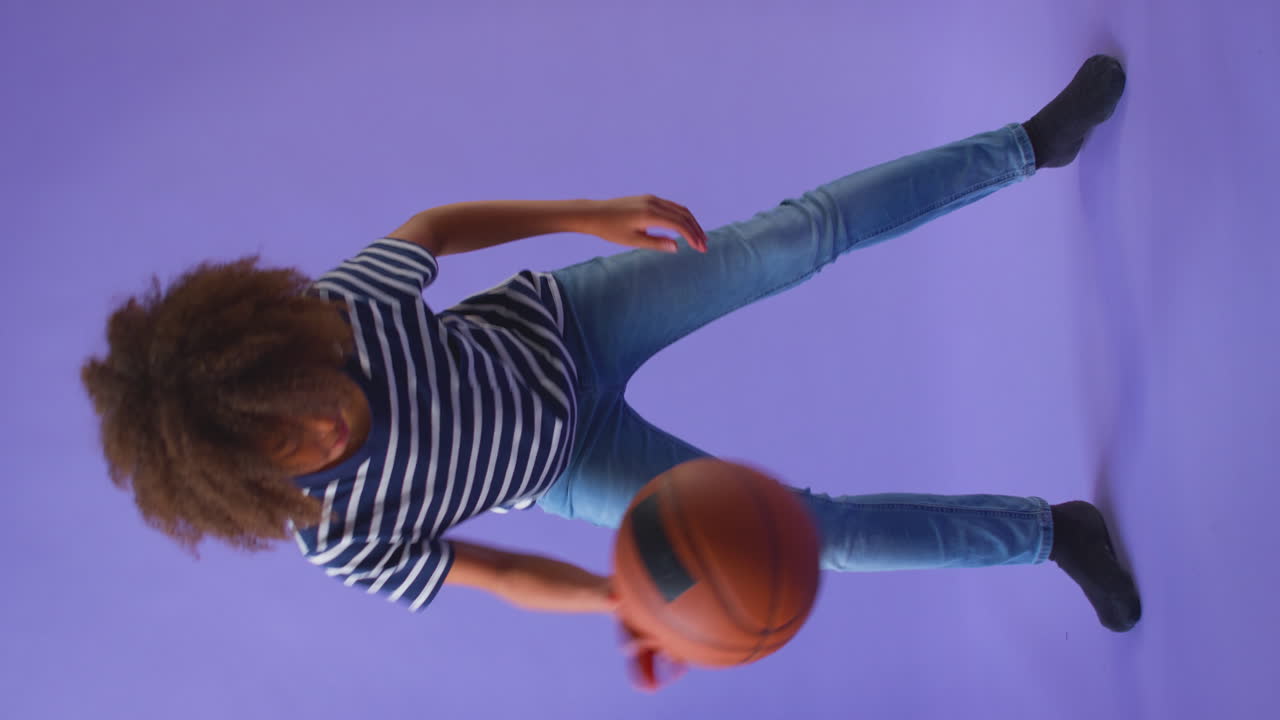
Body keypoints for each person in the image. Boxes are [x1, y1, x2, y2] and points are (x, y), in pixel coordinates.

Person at [82, 55, 1140, 692]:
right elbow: (491, 573)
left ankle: (1026, 147)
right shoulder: (339, 537)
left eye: (313, 393)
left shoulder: (332, 316)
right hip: (570, 463)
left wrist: (585, 212)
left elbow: (430, 231)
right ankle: (1052, 533)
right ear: (259, 476)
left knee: (793, 239)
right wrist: (618, 598)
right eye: (296, 443)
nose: (327, 420)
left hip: (566, 324)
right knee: (821, 541)